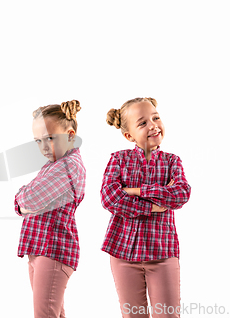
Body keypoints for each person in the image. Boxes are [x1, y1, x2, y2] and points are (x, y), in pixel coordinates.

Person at [101, 97, 191, 318]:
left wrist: (136, 190)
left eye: (156, 118)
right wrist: (153, 207)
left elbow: (180, 194)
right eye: (142, 123)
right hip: (123, 254)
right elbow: (109, 197)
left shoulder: (172, 162)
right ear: (129, 135)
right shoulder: (118, 160)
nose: (153, 125)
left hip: (163, 254)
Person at [14, 100, 86, 318]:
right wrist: (23, 201)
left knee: (44, 315)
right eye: (38, 141)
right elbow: (25, 201)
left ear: (70, 135)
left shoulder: (68, 166)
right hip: (39, 249)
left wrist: (22, 199)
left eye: (50, 138)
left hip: (53, 249)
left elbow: (30, 199)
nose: (43, 146)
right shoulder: (53, 165)